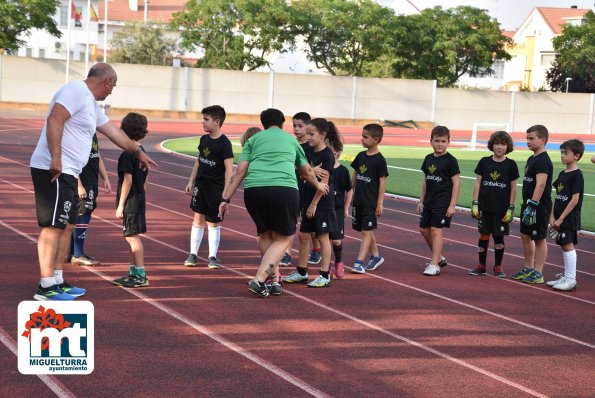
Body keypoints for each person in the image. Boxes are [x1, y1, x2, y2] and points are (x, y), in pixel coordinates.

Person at [29, 62, 156, 301]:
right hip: (55, 169)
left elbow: (114, 132)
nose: (112, 91)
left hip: (68, 170)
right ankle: (45, 285)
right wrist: (55, 158)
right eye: (113, 86)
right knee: (53, 226)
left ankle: (57, 280)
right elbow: (55, 119)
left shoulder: (90, 103)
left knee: (66, 225)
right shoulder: (75, 91)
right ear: (106, 81)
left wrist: (138, 152)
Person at [218, 108, 328, 298]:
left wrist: (225, 198)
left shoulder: (253, 140)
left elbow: (239, 171)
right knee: (284, 237)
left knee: (265, 235)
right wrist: (317, 185)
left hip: (254, 190)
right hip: (283, 189)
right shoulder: (290, 140)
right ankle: (260, 279)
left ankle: (275, 281)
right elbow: (306, 171)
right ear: (282, 123)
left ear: (263, 123)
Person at [284, 118, 341, 287]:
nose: (308, 137)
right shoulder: (307, 150)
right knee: (303, 235)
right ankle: (302, 271)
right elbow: (302, 172)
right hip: (308, 199)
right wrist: (309, 170)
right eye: (307, 133)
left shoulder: (327, 155)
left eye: (311, 134)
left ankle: (325, 274)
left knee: (323, 237)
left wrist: (314, 204)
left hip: (321, 203)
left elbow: (323, 185)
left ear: (323, 135)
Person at [183, 106, 234, 269]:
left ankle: (212, 256)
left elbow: (229, 170)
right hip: (201, 186)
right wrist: (191, 181)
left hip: (216, 189)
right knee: (198, 218)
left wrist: (226, 194)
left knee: (212, 222)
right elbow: (199, 160)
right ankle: (193, 254)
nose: (202, 122)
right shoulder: (204, 140)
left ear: (217, 122)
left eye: (206, 119)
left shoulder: (225, 144)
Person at [468, 131, 519, 278]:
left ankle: (498, 266)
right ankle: (481, 265)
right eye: (497, 143)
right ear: (492, 145)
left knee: (498, 237)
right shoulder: (484, 161)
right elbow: (478, 182)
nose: (499, 147)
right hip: (484, 207)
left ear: (507, 146)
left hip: (501, 209)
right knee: (484, 235)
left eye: (503, 144)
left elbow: (514, 187)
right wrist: (475, 203)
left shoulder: (511, 164)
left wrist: (511, 207)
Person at [111, 113, 150, 288]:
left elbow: (128, 180)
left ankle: (141, 274)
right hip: (138, 200)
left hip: (131, 202)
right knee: (130, 236)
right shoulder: (142, 152)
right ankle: (133, 272)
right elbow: (145, 179)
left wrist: (120, 205)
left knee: (132, 237)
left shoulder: (128, 154)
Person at [510, 125, 553, 284]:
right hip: (528, 205)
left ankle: (538, 272)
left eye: (531, 138)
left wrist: (533, 205)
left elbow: (540, 184)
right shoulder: (532, 158)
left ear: (542, 140)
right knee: (525, 235)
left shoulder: (542, 160)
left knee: (539, 238)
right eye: (527, 138)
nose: (527, 141)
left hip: (538, 206)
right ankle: (528, 267)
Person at [280, 112, 322, 267]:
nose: (296, 129)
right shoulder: (292, 144)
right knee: (290, 221)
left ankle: (316, 249)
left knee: (309, 222)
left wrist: (311, 171)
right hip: (292, 187)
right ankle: (287, 253)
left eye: (300, 126)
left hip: (308, 189)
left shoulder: (311, 147)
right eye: (294, 126)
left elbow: (317, 168)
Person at [417, 126, 460, 276]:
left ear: (448, 142)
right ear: (431, 142)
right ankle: (439, 257)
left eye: (443, 141)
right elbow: (425, 181)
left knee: (436, 230)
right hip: (429, 200)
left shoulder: (451, 161)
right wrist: (421, 201)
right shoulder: (428, 159)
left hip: (443, 201)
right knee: (423, 229)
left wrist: (452, 205)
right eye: (437, 141)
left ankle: (434, 264)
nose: (440, 144)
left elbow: (456, 183)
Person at [350, 123, 389, 274]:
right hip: (359, 200)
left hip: (370, 202)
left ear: (376, 139)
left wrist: (379, 203)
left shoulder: (380, 160)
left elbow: (382, 181)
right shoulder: (360, 156)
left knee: (366, 230)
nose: (362, 139)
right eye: (362, 136)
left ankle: (359, 262)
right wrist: (351, 192)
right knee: (365, 229)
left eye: (365, 137)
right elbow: (355, 174)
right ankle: (376, 256)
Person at [547, 139, 584, 291]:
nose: (562, 155)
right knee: (563, 245)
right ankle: (566, 277)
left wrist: (561, 218)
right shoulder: (563, 173)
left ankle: (571, 279)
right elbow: (558, 196)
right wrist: (552, 216)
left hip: (568, 219)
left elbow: (575, 200)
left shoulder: (577, 175)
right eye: (561, 152)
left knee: (568, 245)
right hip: (558, 218)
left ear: (576, 156)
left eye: (565, 153)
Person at [69, 133, 111, 266]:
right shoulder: (78, 135)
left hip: (92, 180)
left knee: (81, 213)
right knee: (83, 213)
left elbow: (97, 156)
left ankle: (73, 252)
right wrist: (79, 185)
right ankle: (78, 254)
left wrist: (105, 178)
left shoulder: (92, 134)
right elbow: (71, 160)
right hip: (83, 182)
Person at [329, 140, 352, 279]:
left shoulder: (343, 171)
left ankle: (338, 260)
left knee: (336, 240)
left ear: (334, 153)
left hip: (337, 210)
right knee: (324, 238)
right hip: (324, 209)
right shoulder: (324, 169)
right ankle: (326, 268)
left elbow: (349, 190)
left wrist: (346, 208)